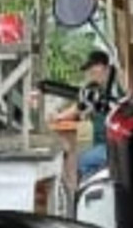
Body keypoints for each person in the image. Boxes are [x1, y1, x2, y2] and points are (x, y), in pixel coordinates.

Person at [53, 49, 124, 182]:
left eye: (93, 69)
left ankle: (90, 189)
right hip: (105, 145)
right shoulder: (99, 89)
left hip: (111, 148)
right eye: (89, 70)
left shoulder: (111, 91)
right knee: (85, 160)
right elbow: (81, 106)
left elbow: (76, 109)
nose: (91, 73)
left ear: (105, 68)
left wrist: (58, 117)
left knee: (82, 161)